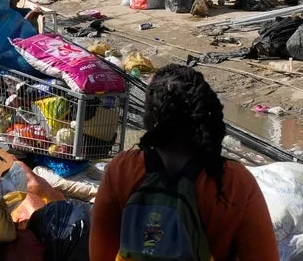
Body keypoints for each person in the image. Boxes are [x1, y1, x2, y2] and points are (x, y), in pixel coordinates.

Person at [90, 64, 276, 261]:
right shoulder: (233, 182)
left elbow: (100, 254)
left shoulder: (122, 169)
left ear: (150, 119)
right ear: (204, 114)